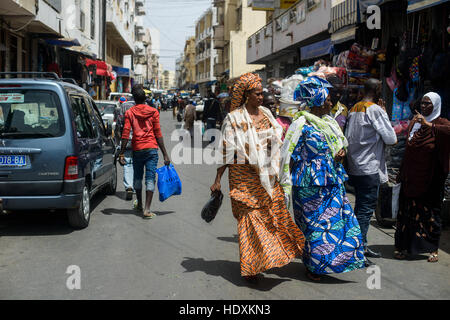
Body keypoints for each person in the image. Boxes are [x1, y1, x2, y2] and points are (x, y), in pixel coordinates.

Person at [210, 73, 305, 282]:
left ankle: (266, 258)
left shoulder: (266, 114)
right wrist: (217, 179)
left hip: (267, 177)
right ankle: (251, 266)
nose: (262, 97)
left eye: (262, 93)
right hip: (242, 178)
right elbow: (225, 152)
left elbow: (277, 140)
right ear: (246, 95)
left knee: (270, 218)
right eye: (257, 93)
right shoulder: (234, 119)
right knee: (250, 220)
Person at [279, 83, 365, 281]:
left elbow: (338, 146)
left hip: (332, 180)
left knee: (338, 223)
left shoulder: (330, 123)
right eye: (327, 99)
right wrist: (282, 181)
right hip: (308, 183)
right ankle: (313, 266)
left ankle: (335, 262)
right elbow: (289, 154)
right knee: (314, 227)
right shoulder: (301, 125)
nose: (330, 103)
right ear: (317, 101)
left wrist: (340, 153)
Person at [345, 79, 397, 263]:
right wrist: (384, 113)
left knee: (360, 208)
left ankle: (361, 245)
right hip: (369, 168)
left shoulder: (354, 109)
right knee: (364, 211)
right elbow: (391, 138)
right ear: (377, 90)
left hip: (355, 166)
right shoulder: (374, 109)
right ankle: (358, 250)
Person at [394, 92, 450, 262]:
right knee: (407, 213)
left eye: (428, 104)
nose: (424, 107)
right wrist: (401, 172)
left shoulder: (441, 123)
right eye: (423, 103)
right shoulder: (414, 123)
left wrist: (429, 125)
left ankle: (432, 249)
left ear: (436, 105)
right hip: (410, 178)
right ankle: (403, 247)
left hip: (431, 179)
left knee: (429, 214)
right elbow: (408, 152)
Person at [118, 85, 171, 219]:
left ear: (134, 99)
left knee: (137, 177)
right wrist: (165, 153)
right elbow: (158, 133)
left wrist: (122, 152)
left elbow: (125, 133)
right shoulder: (153, 112)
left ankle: (140, 204)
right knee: (150, 177)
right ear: (145, 98)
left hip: (137, 149)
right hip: (151, 149)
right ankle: (147, 209)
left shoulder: (130, 113)